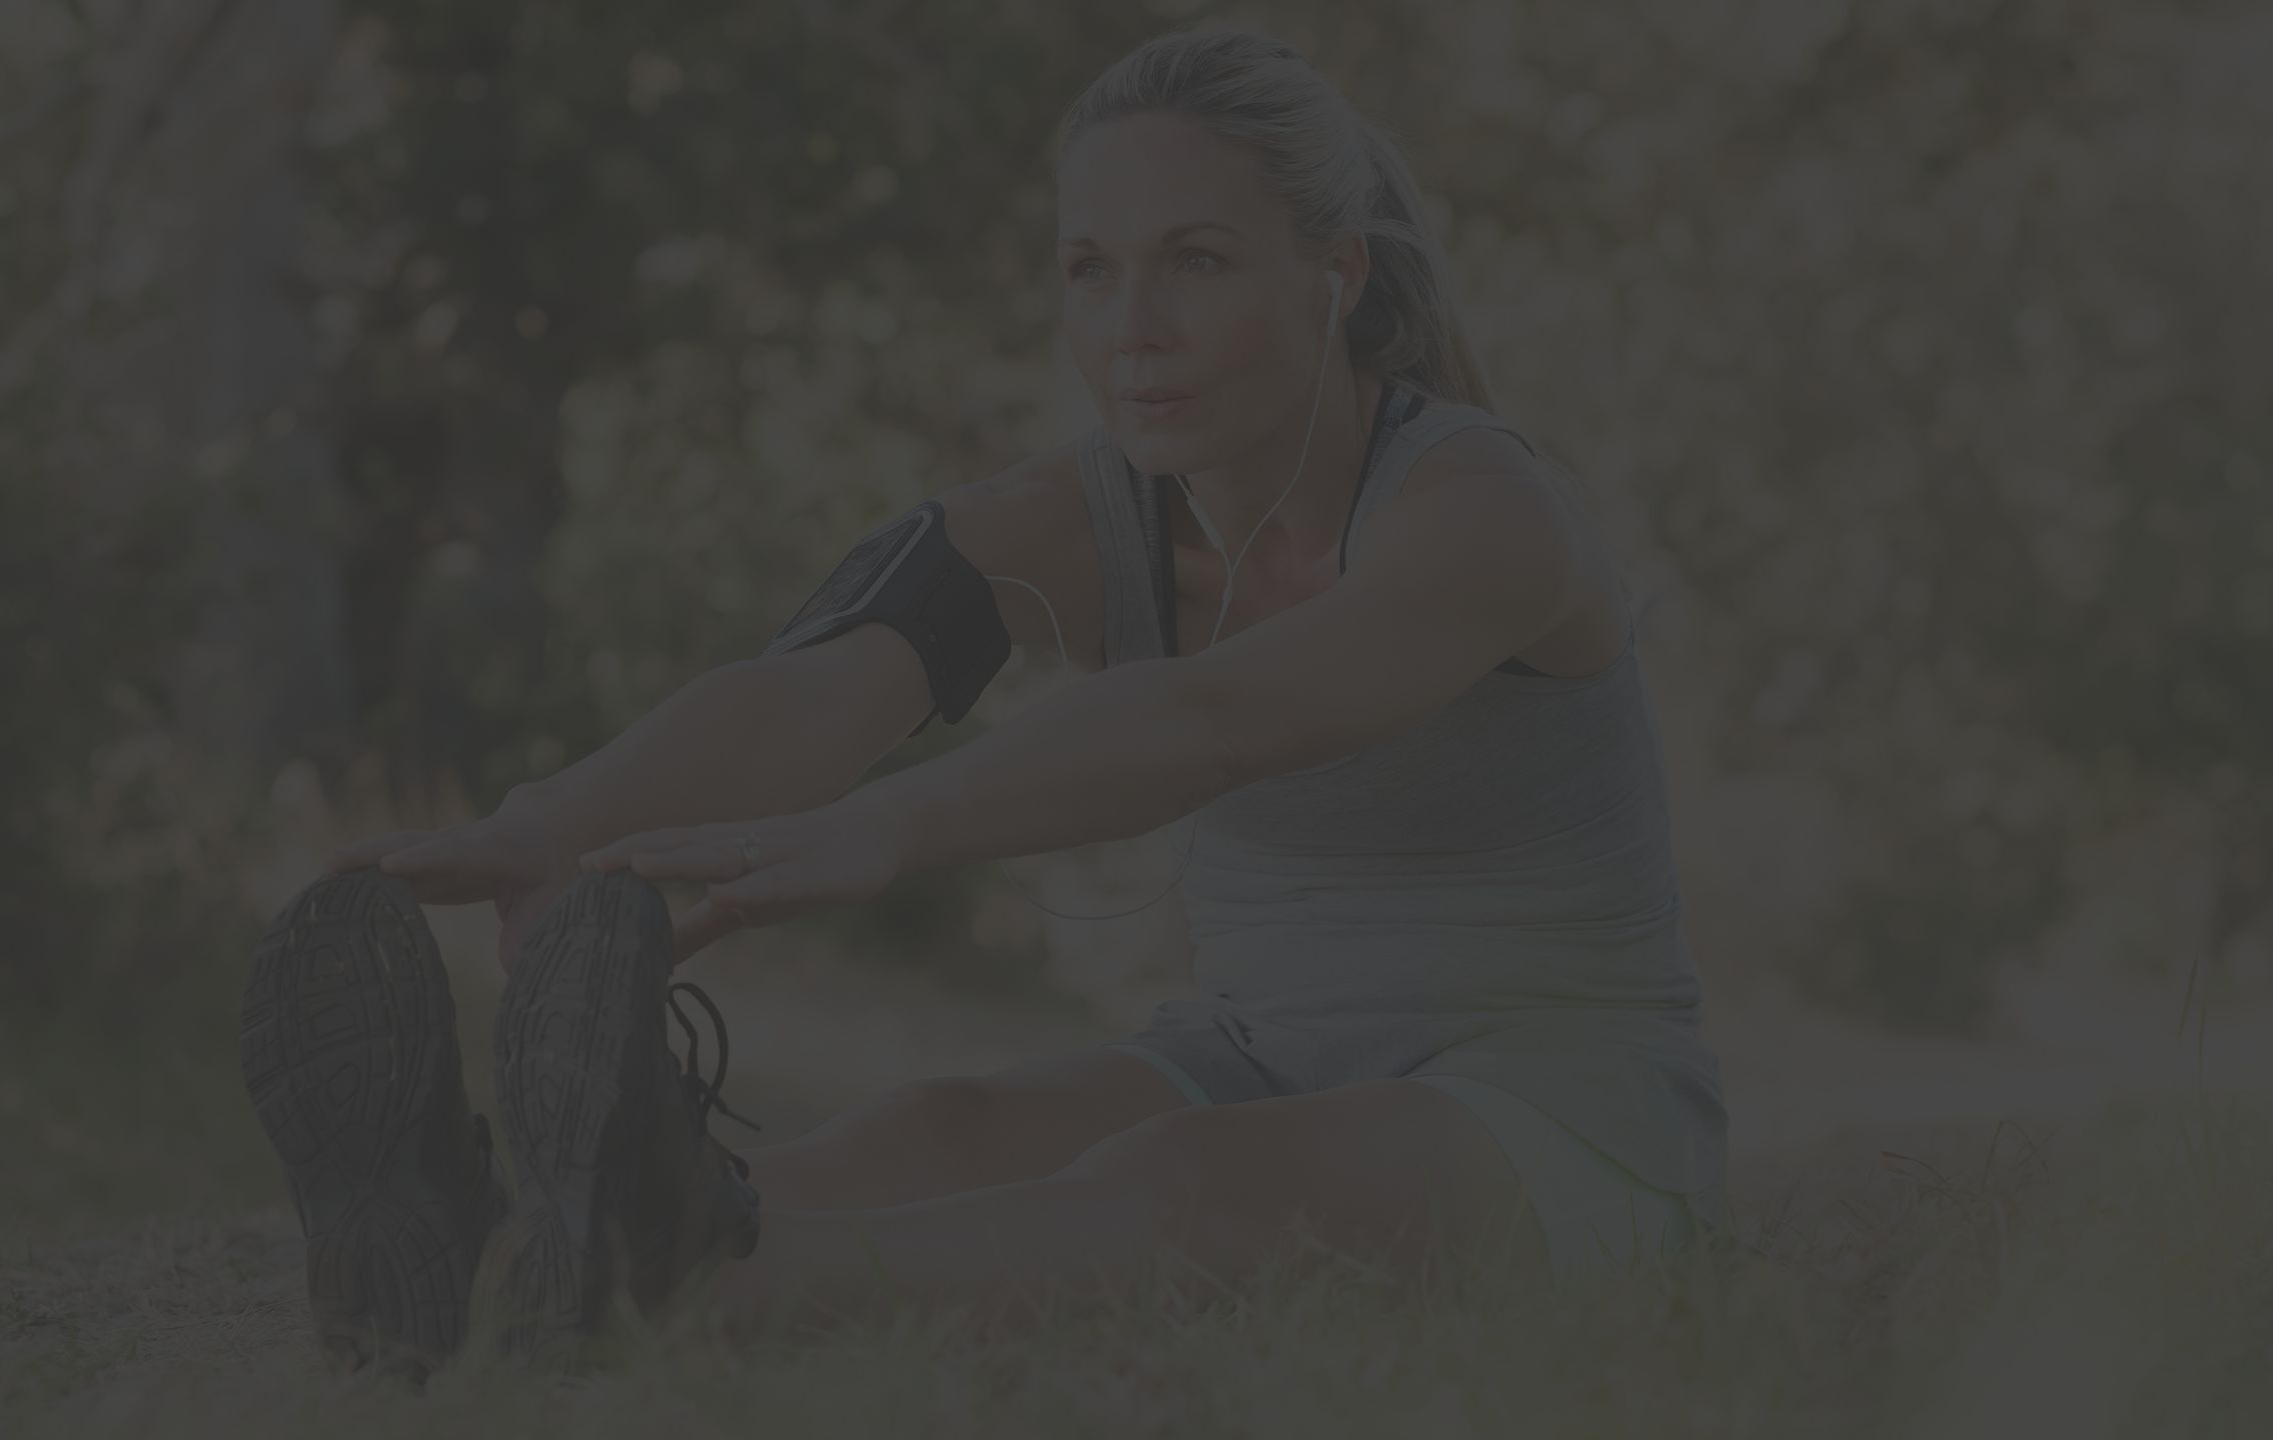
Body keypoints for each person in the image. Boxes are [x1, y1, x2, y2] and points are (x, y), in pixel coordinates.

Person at [240, 24, 1732, 1377]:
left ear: (1332, 277)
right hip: (1258, 1051)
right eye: (1090, 268)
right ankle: (477, 1255)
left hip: (1557, 1111)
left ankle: (650, 1284)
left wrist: (893, 829)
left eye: (1197, 261)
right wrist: (549, 824)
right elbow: (819, 688)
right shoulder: (1071, 519)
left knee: (1180, 1193)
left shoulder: (1483, 513)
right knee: (939, 1133)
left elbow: (1213, 721)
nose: (1131, 325)